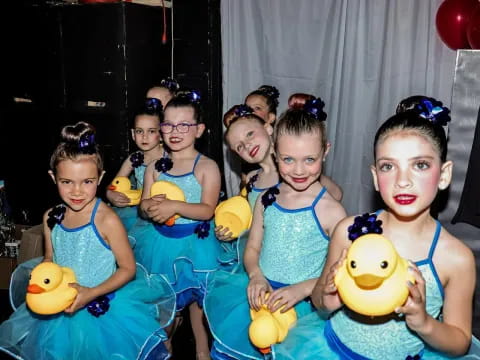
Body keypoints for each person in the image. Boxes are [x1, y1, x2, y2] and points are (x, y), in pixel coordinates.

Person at [272, 99, 480, 359]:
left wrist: (424, 323)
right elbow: (319, 304)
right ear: (375, 177)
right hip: (329, 349)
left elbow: (460, 342)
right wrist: (328, 300)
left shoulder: (455, 258)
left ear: (444, 175)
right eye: (388, 166)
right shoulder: (348, 231)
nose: (402, 181)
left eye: (420, 165)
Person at [0, 121, 176, 360]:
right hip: (60, 312)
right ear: (53, 177)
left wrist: (91, 293)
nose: (77, 191)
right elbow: (51, 259)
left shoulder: (107, 220)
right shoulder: (51, 217)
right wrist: (45, 276)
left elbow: (128, 268)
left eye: (87, 182)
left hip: (102, 310)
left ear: (100, 177)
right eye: (67, 182)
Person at [204, 98, 347, 360]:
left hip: (303, 308)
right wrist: (256, 275)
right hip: (260, 297)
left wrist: (302, 289)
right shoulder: (265, 199)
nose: (299, 170)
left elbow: (343, 273)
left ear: (325, 151)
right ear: (276, 154)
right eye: (288, 159)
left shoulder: (332, 211)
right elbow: (253, 247)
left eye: (310, 159)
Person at [129, 91, 222, 360]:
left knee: (199, 302)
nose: (175, 131)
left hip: (196, 243)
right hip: (161, 244)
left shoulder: (207, 166)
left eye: (184, 125)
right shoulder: (155, 167)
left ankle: (202, 348)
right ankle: (164, 345)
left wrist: (175, 207)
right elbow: (143, 205)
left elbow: (207, 210)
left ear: (199, 129)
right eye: (168, 124)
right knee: (166, 302)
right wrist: (149, 207)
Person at [106, 105, 164, 231]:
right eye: (139, 131)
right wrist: (111, 194)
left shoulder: (168, 158)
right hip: (138, 212)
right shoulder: (134, 158)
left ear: (161, 133)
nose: (144, 136)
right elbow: (113, 184)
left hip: (162, 211)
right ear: (133, 134)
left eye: (151, 131)